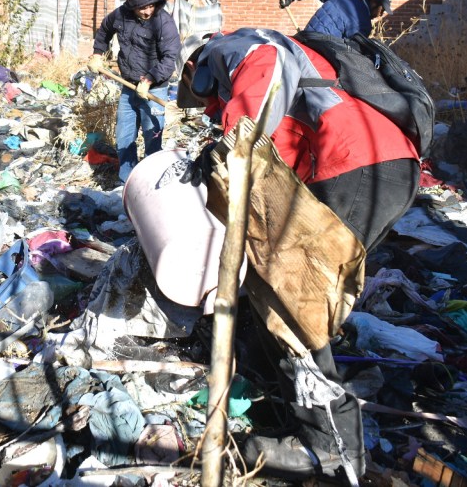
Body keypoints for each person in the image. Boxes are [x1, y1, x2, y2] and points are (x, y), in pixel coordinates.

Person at [177, 27, 420, 484]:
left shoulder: (237, 47)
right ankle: (294, 399)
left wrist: (231, 143)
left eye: (199, 92)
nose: (207, 104)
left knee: (293, 296)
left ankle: (328, 445)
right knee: (297, 290)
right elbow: (281, 150)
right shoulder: (284, 61)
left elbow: (264, 74)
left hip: (357, 163)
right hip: (381, 165)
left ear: (195, 65)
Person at [88, 0, 180, 183]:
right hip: (128, 87)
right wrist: (97, 54)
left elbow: (169, 58)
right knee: (124, 137)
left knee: (152, 137)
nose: (147, 12)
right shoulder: (120, 15)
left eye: (150, 6)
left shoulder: (163, 23)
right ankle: (126, 182)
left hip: (154, 90)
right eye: (142, 8)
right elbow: (104, 30)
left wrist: (149, 79)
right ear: (133, 7)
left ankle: (150, 182)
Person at [279, 0, 392, 38]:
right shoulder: (365, 25)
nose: (381, 15)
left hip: (305, 37)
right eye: (382, 10)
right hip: (320, 55)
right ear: (374, 3)